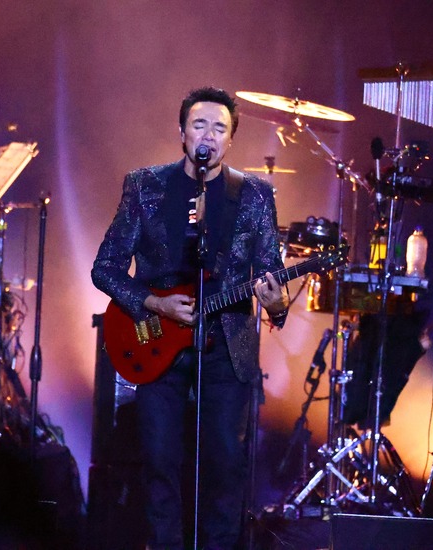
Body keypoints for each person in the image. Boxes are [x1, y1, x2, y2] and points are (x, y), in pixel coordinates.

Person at [92, 86, 289, 550]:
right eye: (200, 125)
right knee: (160, 460)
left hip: (229, 344)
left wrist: (277, 304)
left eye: (220, 128)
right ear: (182, 132)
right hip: (157, 339)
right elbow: (105, 268)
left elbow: (271, 273)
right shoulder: (145, 186)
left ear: (231, 139)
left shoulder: (255, 194)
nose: (209, 135)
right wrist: (155, 303)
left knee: (226, 463)